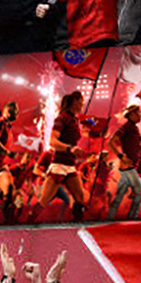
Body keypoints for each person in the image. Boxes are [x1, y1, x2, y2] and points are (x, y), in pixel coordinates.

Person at [38, 92, 90, 221]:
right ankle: (27, 222)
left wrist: (98, 127)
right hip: (59, 165)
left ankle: (77, 225)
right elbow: (52, 141)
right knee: (44, 201)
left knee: (80, 198)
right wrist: (70, 148)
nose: (83, 104)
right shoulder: (62, 118)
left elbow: (93, 124)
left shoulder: (75, 120)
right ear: (75, 102)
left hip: (70, 165)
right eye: (81, 102)